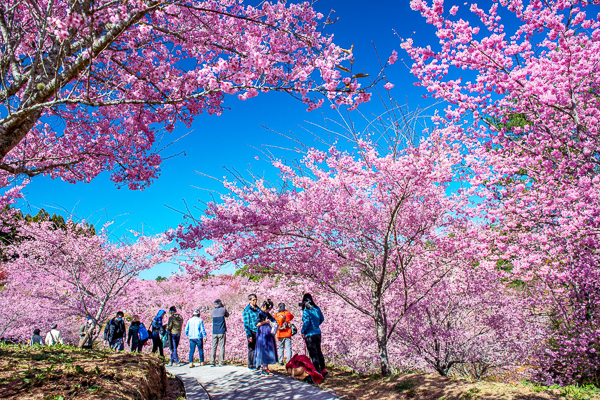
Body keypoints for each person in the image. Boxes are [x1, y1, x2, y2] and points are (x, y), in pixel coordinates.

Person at [301, 293, 326, 376]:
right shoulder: (317, 308)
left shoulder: (306, 310)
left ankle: (316, 371)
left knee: (313, 353)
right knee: (319, 351)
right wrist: (316, 325)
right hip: (317, 333)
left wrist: (303, 331)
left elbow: (306, 322)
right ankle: (323, 369)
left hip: (309, 334)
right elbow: (322, 319)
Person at [254, 299, 277, 376]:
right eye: (267, 309)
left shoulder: (267, 313)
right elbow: (256, 324)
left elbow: (273, 319)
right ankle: (263, 369)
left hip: (268, 332)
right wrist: (265, 322)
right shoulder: (260, 313)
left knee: (268, 349)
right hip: (262, 332)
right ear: (264, 306)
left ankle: (266, 368)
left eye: (269, 309)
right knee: (263, 349)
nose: (268, 311)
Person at [242, 293, 260, 370]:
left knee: (258, 348)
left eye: (256, 299)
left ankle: (257, 363)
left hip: (259, 330)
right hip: (251, 331)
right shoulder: (246, 310)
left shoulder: (258, 309)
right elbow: (246, 324)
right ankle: (251, 364)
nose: (255, 301)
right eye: (253, 300)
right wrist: (249, 335)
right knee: (251, 348)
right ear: (249, 301)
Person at [210, 299, 229, 367]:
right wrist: (223, 307)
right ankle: (221, 361)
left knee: (213, 347)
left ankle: (212, 361)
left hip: (214, 331)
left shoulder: (212, 311)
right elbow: (227, 315)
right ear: (221, 304)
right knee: (222, 347)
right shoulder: (223, 309)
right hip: (221, 331)